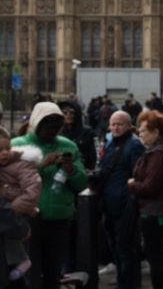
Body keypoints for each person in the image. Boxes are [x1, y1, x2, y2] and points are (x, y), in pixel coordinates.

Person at [12, 103, 87, 289]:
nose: (52, 132)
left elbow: (81, 184)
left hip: (59, 218)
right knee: (30, 270)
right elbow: (11, 180)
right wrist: (41, 165)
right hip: (28, 219)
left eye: (56, 128)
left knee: (53, 271)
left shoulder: (67, 146)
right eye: (48, 128)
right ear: (37, 124)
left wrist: (71, 170)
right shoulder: (19, 145)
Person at [127, 110, 163, 289]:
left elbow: (150, 186)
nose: (140, 134)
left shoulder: (158, 154)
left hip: (154, 212)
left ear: (156, 132)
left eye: (143, 131)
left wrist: (132, 184)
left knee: (155, 260)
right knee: (157, 259)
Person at [95, 111, 145, 289]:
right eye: (113, 124)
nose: (115, 127)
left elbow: (138, 175)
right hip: (109, 204)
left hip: (124, 206)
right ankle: (123, 282)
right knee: (116, 248)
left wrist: (130, 203)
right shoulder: (111, 144)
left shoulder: (133, 145)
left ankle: (127, 284)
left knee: (125, 250)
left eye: (119, 124)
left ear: (128, 126)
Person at [1, 132, 41, 282]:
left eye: (7, 148)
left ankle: (23, 260)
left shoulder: (21, 165)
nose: (5, 153)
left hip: (19, 209)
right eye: (0, 150)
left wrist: (12, 208)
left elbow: (32, 191)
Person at [57, 102, 96, 172]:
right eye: (65, 113)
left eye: (71, 112)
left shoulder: (86, 132)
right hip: (61, 171)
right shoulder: (58, 132)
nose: (68, 115)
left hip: (81, 170)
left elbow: (92, 156)